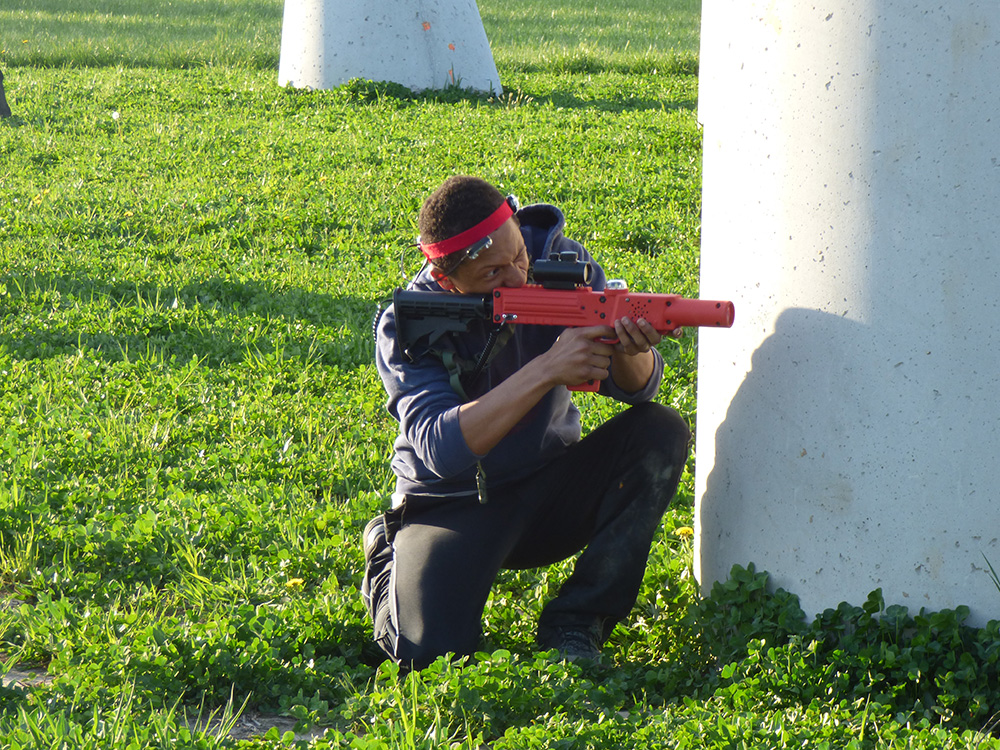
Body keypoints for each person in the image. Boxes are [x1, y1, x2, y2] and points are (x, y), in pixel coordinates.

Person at [365, 175, 690, 669]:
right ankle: (389, 551)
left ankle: (578, 620)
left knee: (659, 430)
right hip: (452, 505)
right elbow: (439, 449)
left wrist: (630, 348)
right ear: (446, 279)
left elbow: (638, 388)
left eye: (518, 256)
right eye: (493, 272)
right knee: (429, 656)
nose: (517, 277)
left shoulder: (563, 267)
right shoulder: (407, 325)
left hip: (548, 488)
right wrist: (546, 371)